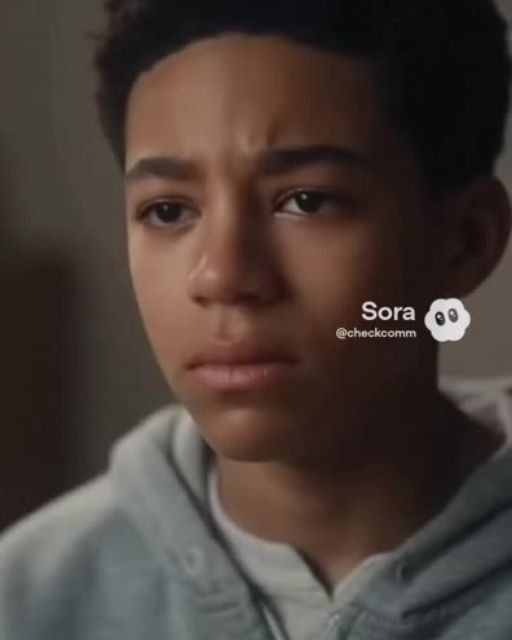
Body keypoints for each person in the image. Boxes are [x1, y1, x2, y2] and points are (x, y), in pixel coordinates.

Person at [1, 1, 512, 638]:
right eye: (168, 211)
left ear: (465, 240)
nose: (223, 277)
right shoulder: (31, 598)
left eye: (307, 201)